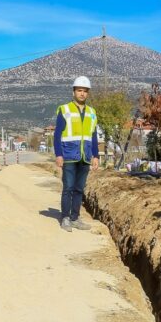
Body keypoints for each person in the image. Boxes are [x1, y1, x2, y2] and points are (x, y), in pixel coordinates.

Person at [53, 76, 99, 232]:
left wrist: (96, 156)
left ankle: (75, 218)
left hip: (85, 156)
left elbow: (93, 136)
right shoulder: (64, 110)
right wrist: (58, 154)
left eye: (85, 91)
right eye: (79, 90)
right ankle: (65, 218)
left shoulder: (92, 112)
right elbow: (57, 134)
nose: (82, 94)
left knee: (79, 189)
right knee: (68, 187)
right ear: (74, 92)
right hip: (69, 155)